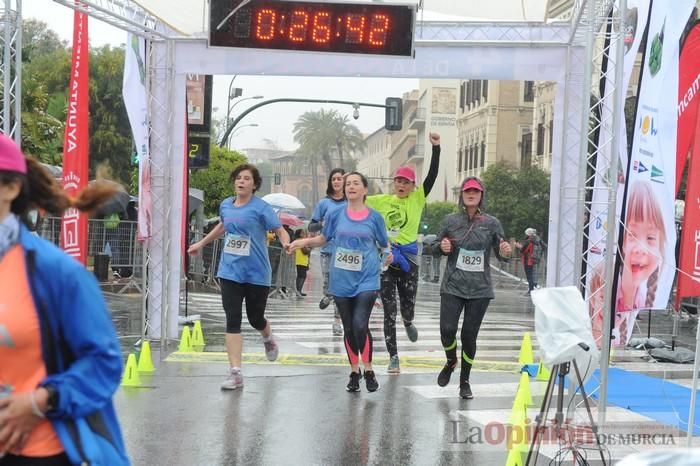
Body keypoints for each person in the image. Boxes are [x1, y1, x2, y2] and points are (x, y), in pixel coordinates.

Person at [0, 134, 129, 465]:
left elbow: (103, 361)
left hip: (37, 452)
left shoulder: (54, 271)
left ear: (11, 188)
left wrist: (41, 401)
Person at [188, 163, 290, 390]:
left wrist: (285, 243)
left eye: (246, 178)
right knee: (232, 319)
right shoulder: (226, 204)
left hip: (256, 273)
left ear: (254, 185)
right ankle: (235, 372)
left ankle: (267, 337)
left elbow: (279, 229)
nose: (241, 181)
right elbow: (224, 226)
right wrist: (202, 243)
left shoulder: (261, 208)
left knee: (255, 318)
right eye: (238, 178)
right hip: (230, 271)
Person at [288, 172, 392, 393]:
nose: (351, 187)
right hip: (341, 279)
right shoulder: (336, 214)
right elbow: (323, 238)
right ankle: (354, 371)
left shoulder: (375, 218)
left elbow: (385, 246)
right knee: (348, 327)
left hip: (366, 278)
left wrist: (387, 257)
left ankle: (369, 369)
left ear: (365, 189)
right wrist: (302, 241)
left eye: (356, 183)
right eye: (348, 184)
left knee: (360, 324)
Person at [365, 132, 441, 374]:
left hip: (408, 260)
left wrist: (436, 148)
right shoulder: (381, 201)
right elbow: (356, 197)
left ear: (412, 186)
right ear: (394, 183)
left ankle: (408, 321)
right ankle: (393, 356)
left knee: (407, 307)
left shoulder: (417, 199)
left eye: (406, 182)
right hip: (387, 260)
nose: (401, 185)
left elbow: (432, 176)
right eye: (398, 181)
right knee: (389, 311)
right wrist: (347, 183)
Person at [433, 176, 512, 399]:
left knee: (469, 336)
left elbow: (502, 252)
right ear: (462, 195)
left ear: (481, 196)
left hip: (479, 290)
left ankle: (464, 381)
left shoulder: (491, 223)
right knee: (447, 331)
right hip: (453, 285)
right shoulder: (450, 221)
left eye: (475, 192)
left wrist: (506, 251)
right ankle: (451, 361)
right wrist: (442, 246)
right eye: (467, 191)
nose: (471, 194)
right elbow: (434, 248)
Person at [615, 180, 666, 347]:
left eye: (650, 238)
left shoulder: (641, 296)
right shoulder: (605, 293)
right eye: (632, 235)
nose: (640, 248)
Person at [308, 168, 346, 335]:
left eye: (340, 178)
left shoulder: (351, 202)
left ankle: (337, 322)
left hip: (345, 251)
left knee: (340, 288)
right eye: (334, 179)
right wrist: (322, 224)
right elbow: (311, 226)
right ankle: (328, 295)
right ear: (330, 182)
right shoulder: (324, 203)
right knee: (328, 283)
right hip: (327, 250)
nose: (337, 181)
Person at [516, 228, 546, 295]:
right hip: (535, 259)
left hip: (528, 261)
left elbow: (523, 251)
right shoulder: (537, 240)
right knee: (533, 275)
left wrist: (519, 247)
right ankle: (533, 288)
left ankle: (531, 290)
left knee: (529, 276)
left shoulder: (528, 241)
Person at [294, 229, 311, 297]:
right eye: (303, 233)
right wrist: (309, 248)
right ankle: (298, 291)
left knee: (300, 276)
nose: (304, 234)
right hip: (301, 261)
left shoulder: (298, 241)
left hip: (301, 261)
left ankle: (299, 291)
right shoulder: (301, 241)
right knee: (302, 276)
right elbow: (305, 251)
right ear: (300, 234)